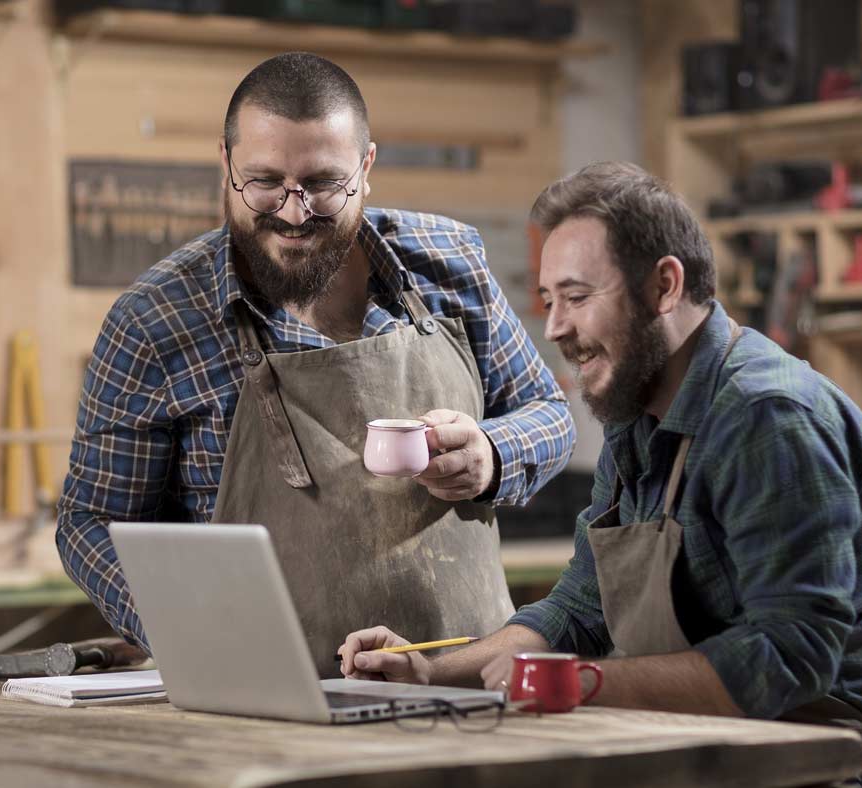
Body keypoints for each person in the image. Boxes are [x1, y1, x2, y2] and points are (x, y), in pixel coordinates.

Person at [339, 161, 862, 787]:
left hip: (838, 768)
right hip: (717, 754)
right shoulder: (639, 416)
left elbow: (791, 658)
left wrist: (582, 683)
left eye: (577, 297)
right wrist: (431, 674)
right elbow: (580, 608)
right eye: (549, 301)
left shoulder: (768, 418)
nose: (556, 328)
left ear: (664, 286)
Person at [57, 52, 575, 676]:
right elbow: (91, 522)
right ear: (225, 165)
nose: (295, 212)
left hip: (462, 680)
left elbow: (550, 416)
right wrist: (184, 625)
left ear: (366, 166)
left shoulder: (450, 263)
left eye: (324, 183)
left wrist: (492, 453)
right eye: (265, 182)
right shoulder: (155, 322)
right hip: (263, 693)